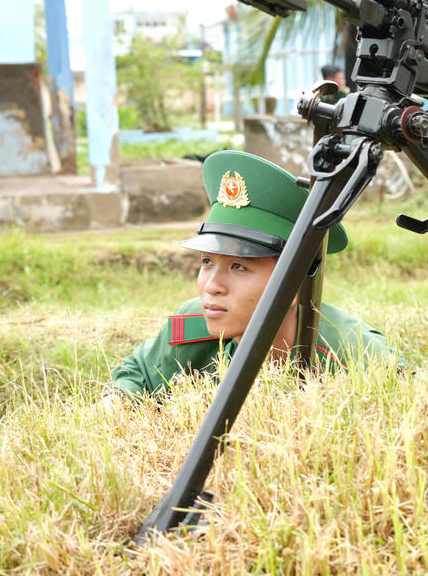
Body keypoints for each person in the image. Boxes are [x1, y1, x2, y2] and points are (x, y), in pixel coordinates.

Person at [103, 150, 396, 404]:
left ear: (294, 283)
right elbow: (137, 373)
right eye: (207, 262)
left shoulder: (354, 355)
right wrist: (116, 402)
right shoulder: (192, 328)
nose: (212, 287)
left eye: (238, 266)